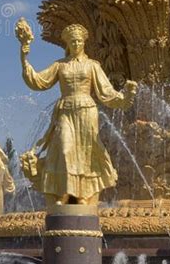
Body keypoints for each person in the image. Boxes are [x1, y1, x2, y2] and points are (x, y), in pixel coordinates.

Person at [16, 21, 137, 208]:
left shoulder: (92, 66)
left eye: (79, 41)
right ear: (67, 44)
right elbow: (39, 81)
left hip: (87, 111)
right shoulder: (60, 65)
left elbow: (107, 93)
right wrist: (24, 56)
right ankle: (68, 192)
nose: (76, 44)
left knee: (86, 153)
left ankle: (82, 195)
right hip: (65, 110)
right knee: (65, 149)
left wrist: (126, 96)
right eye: (72, 41)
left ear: (84, 43)